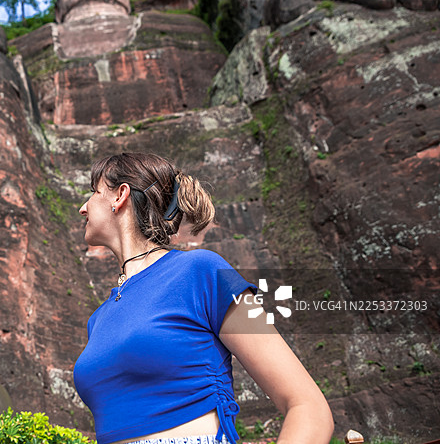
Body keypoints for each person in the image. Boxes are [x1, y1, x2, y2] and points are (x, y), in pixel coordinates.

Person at [73, 153, 334, 444]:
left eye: (94, 192)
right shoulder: (98, 319)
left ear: (120, 195)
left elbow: (308, 407)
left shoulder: (203, 271)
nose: (83, 208)